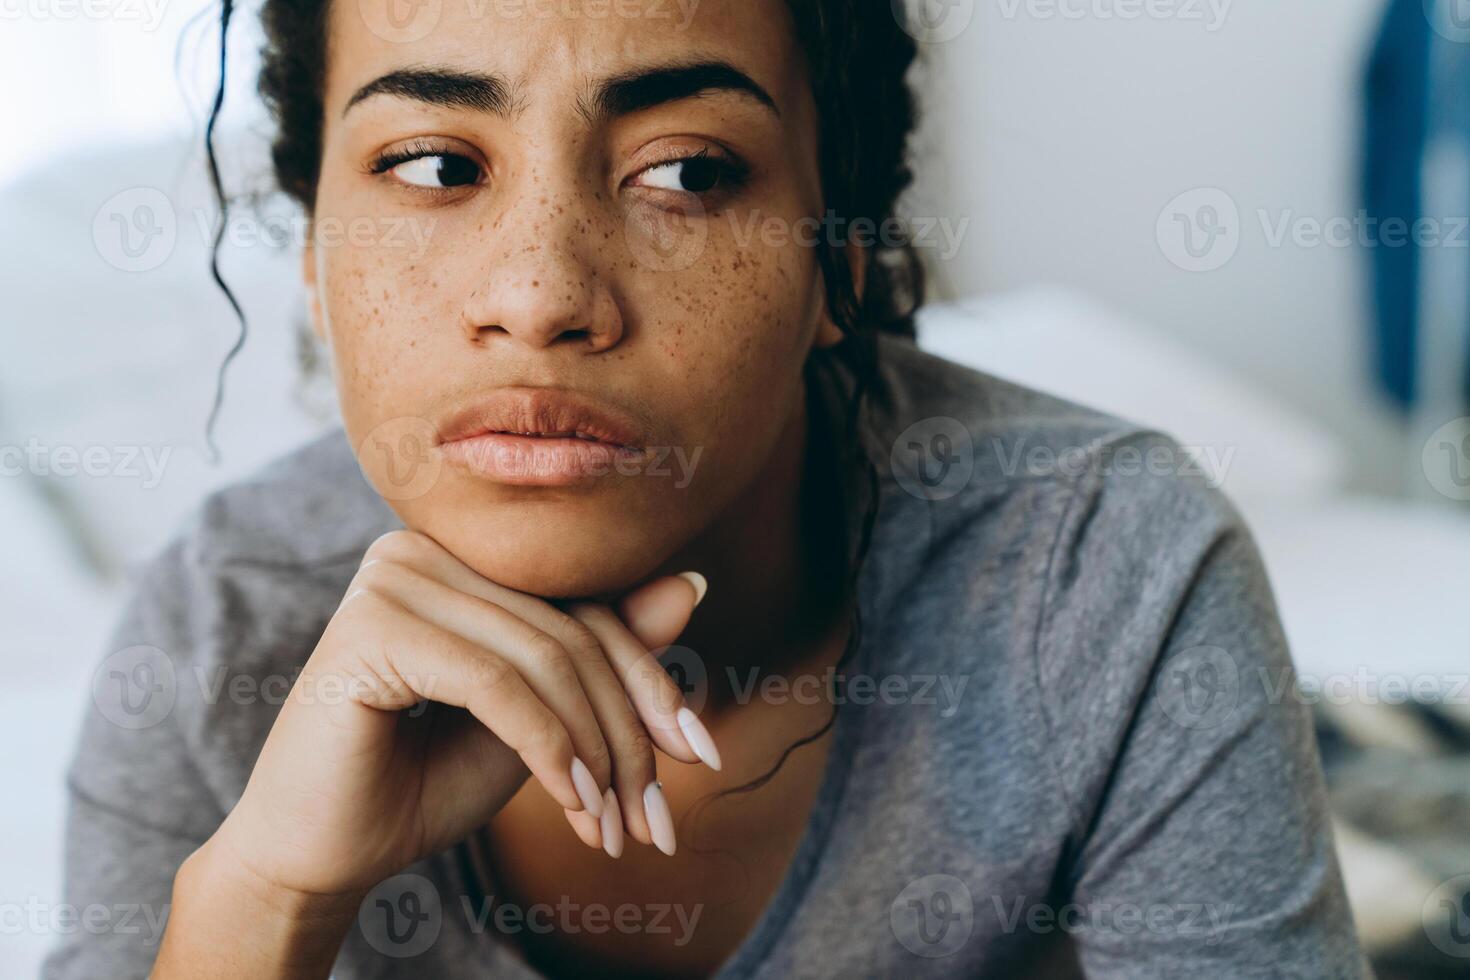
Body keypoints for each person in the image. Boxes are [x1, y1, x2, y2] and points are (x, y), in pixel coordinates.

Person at [44, 1, 1369, 977]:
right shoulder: (220, 630)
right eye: (437, 166)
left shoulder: (1097, 566)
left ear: (837, 260)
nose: (542, 295)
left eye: (684, 172)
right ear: (315, 255)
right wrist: (264, 893)